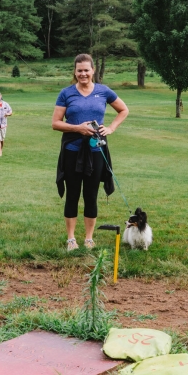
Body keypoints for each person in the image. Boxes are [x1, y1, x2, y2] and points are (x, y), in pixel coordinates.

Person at [52, 52, 129, 252]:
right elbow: (55, 123)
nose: (83, 74)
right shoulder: (66, 93)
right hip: (72, 151)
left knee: (91, 194)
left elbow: (123, 110)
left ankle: (88, 238)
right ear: (75, 72)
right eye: (80, 71)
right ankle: (71, 239)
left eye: (87, 70)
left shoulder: (103, 91)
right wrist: (78, 128)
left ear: (93, 70)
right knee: (73, 194)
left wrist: (110, 128)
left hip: (96, 150)